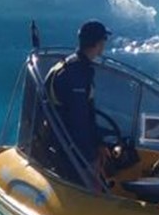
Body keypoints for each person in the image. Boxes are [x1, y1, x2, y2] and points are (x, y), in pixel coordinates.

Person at [41, 19, 111, 180]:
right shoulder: (76, 74)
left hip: (59, 143)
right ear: (98, 43)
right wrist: (91, 156)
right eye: (104, 40)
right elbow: (78, 120)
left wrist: (100, 142)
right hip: (69, 151)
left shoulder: (71, 65)